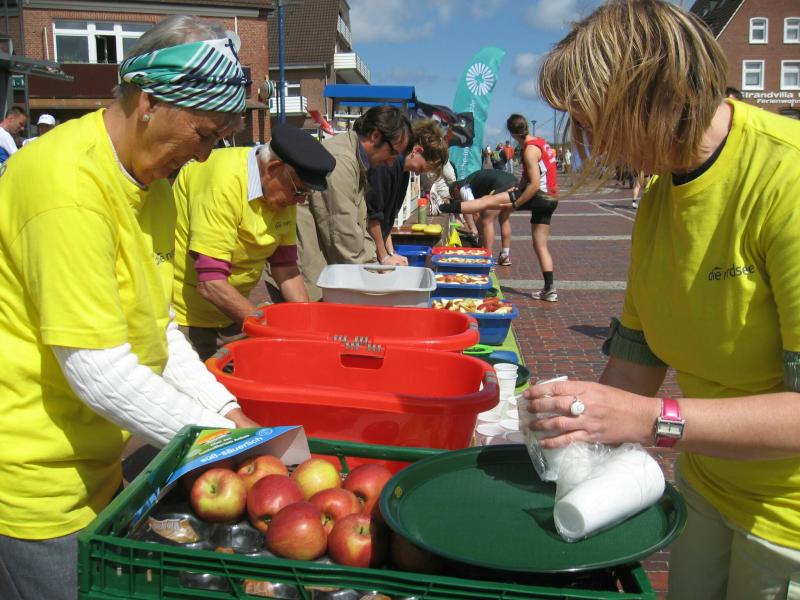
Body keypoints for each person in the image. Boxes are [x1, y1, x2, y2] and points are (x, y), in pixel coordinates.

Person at [529, 2, 800, 598]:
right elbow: (637, 360)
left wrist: (654, 420)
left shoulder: (787, 177)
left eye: (595, 121)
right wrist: (574, 421)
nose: (590, 143)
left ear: (652, 94)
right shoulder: (660, 194)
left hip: (788, 523)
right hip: (707, 490)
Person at [0, 16, 260, 599]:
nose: (204, 156)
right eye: (203, 133)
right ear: (149, 102)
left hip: (99, 466)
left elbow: (157, 328)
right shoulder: (67, 185)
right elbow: (98, 369)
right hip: (36, 488)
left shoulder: (153, 186)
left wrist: (226, 409)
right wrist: (222, 441)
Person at [172, 123, 336, 360]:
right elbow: (210, 283)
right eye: (299, 191)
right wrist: (270, 329)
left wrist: (306, 328)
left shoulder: (282, 192)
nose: (300, 201)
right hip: (186, 319)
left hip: (233, 312)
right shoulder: (222, 180)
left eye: (305, 194)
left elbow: (286, 269)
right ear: (273, 168)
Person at [271, 105, 411, 301]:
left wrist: (377, 263)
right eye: (393, 152)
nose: (392, 162)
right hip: (301, 276)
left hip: (313, 271)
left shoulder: (355, 160)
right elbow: (343, 236)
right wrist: (376, 273)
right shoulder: (342, 162)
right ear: (375, 136)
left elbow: (358, 225)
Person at [484, 113, 559, 290]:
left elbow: (533, 184)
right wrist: (518, 187)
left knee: (489, 208)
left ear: (512, 133)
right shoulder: (541, 142)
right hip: (552, 197)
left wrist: (516, 204)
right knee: (540, 245)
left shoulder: (529, 150)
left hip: (539, 196)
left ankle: (488, 257)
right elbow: (529, 176)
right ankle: (549, 289)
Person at [366, 119, 448, 265]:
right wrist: (384, 257)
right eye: (421, 168)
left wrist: (391, 252)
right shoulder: (387, 164)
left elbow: (386, 220)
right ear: (417, 151)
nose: (418, 174)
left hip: (375, 242)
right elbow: (373, 216)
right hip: (365, 241)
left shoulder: (404, 172)